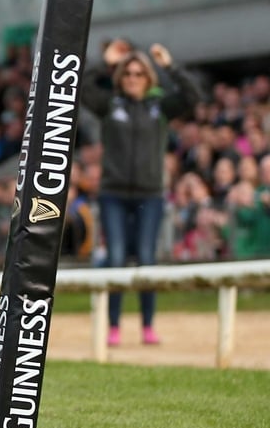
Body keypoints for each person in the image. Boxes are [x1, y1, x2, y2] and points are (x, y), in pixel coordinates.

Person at [81, 41, 202, 346]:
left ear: (148, 77)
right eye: (128, 73)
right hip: (113, 196)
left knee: (147, 259)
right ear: (120, 77)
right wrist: (104, 63)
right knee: (117, 259)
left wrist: (170, 65)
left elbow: (193, 96)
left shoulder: (159, 107)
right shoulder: (110, 105)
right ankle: (114, 327)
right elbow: (80, 89)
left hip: (150, 195)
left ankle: (148, 326)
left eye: (139, 73)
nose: (133, 78)